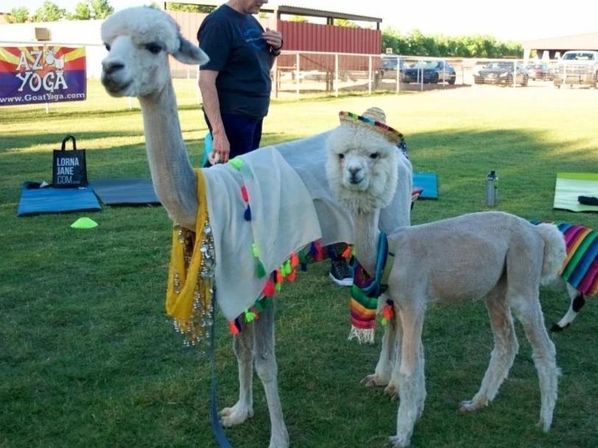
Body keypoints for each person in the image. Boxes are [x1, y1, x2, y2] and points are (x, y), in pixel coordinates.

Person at [197, 0, 283, 163]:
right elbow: (205, 81)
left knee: (243, 176)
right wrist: (218, 133)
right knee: (230, 178)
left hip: (253, 116)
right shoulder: (218, 23)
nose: (265, 1)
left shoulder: (251, 20)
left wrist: (275, 49)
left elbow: (263, 66)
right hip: (233, 117)